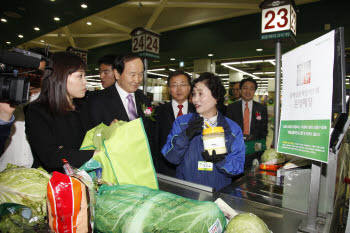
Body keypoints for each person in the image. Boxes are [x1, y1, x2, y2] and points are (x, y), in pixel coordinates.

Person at [161, 72, 245, 191]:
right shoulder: (182, 123)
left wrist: (222, 161)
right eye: (194, 94)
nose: (195, 99)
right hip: (186, 193)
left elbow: (238, 167)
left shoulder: (232, 129)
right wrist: (185, 136)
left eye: (200, 94)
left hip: (218, 193)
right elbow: (170, 157)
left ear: (216, 97)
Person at [25, 52, 94, 173]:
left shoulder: (82, 106)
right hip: (55, 184)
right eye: (80, 76)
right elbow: (51, 156)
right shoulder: (37, 111)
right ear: (61, 77)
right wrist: (93, 154)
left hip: (84, 178)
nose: (85, 82)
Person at [87, 53, 151, 128]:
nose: (137, 80)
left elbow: (150, 128)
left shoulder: (144, 99)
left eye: (140, 74)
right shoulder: (98, 101)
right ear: (117, 74)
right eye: (132, 75)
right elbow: (92, 134)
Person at [154, 70, 195, 176]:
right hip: (166, 168)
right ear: (169, 89)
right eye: (174, 85)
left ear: (189, 88)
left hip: (192, 168)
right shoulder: (159, 111)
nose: (179, 89)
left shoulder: (198, 111)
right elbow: (155, 142)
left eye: (183, 84)